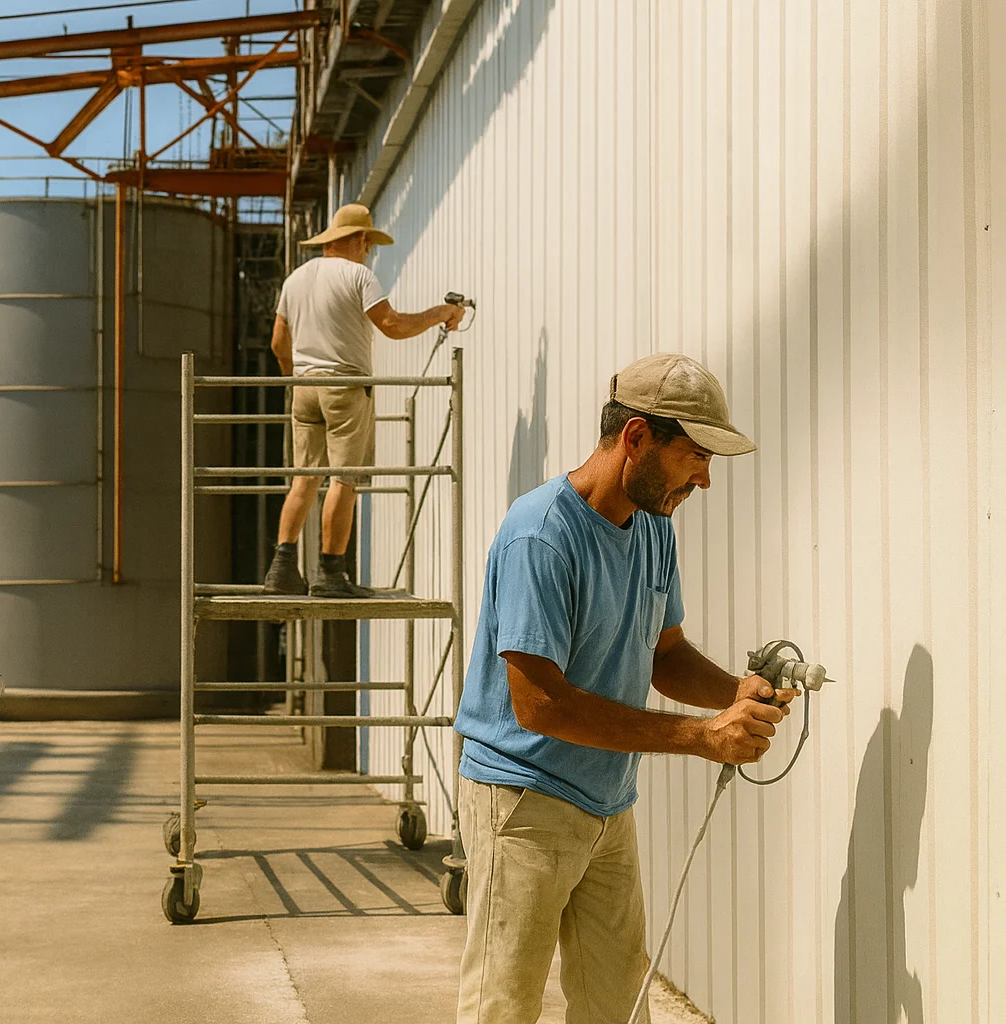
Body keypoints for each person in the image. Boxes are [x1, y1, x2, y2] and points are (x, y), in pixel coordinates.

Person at [453, 353, 800, 1024]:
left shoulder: (654, 525)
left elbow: (662, 654)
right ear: (637, 438)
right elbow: (540, 704)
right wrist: (702, 738)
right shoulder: (541, 535)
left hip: (606, 806)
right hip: (522, 804)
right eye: (695, 456)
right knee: (502, 1008)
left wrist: (738, 692)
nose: (704, 479)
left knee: (617, 1008)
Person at [263, 203, 464, 598]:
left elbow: (278, 341)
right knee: (345, 479)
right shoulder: (359, 276)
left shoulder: (295, 279)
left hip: (303, 388)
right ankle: (330, 574)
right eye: (368, 243)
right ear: (356, 240)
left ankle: (281, 569)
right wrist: (440, 312)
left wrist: (294, 375)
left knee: (304, 478)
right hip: (345, 387)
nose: (368, 251)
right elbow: (392, 325)